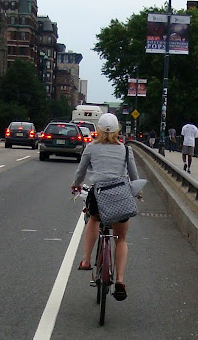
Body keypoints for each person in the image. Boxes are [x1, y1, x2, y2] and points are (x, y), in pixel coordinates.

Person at [71, 113, 141, 301]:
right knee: (121, 238)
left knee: (94, 218)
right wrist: (137, 192)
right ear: (117, 130)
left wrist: (76, 185)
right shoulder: (126, 150)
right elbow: (134, 176)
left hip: (99, 194)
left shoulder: (91, 148)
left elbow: (81, 171)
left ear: (98, 130)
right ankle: (119, 280)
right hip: (120, 194)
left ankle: (86, 260)